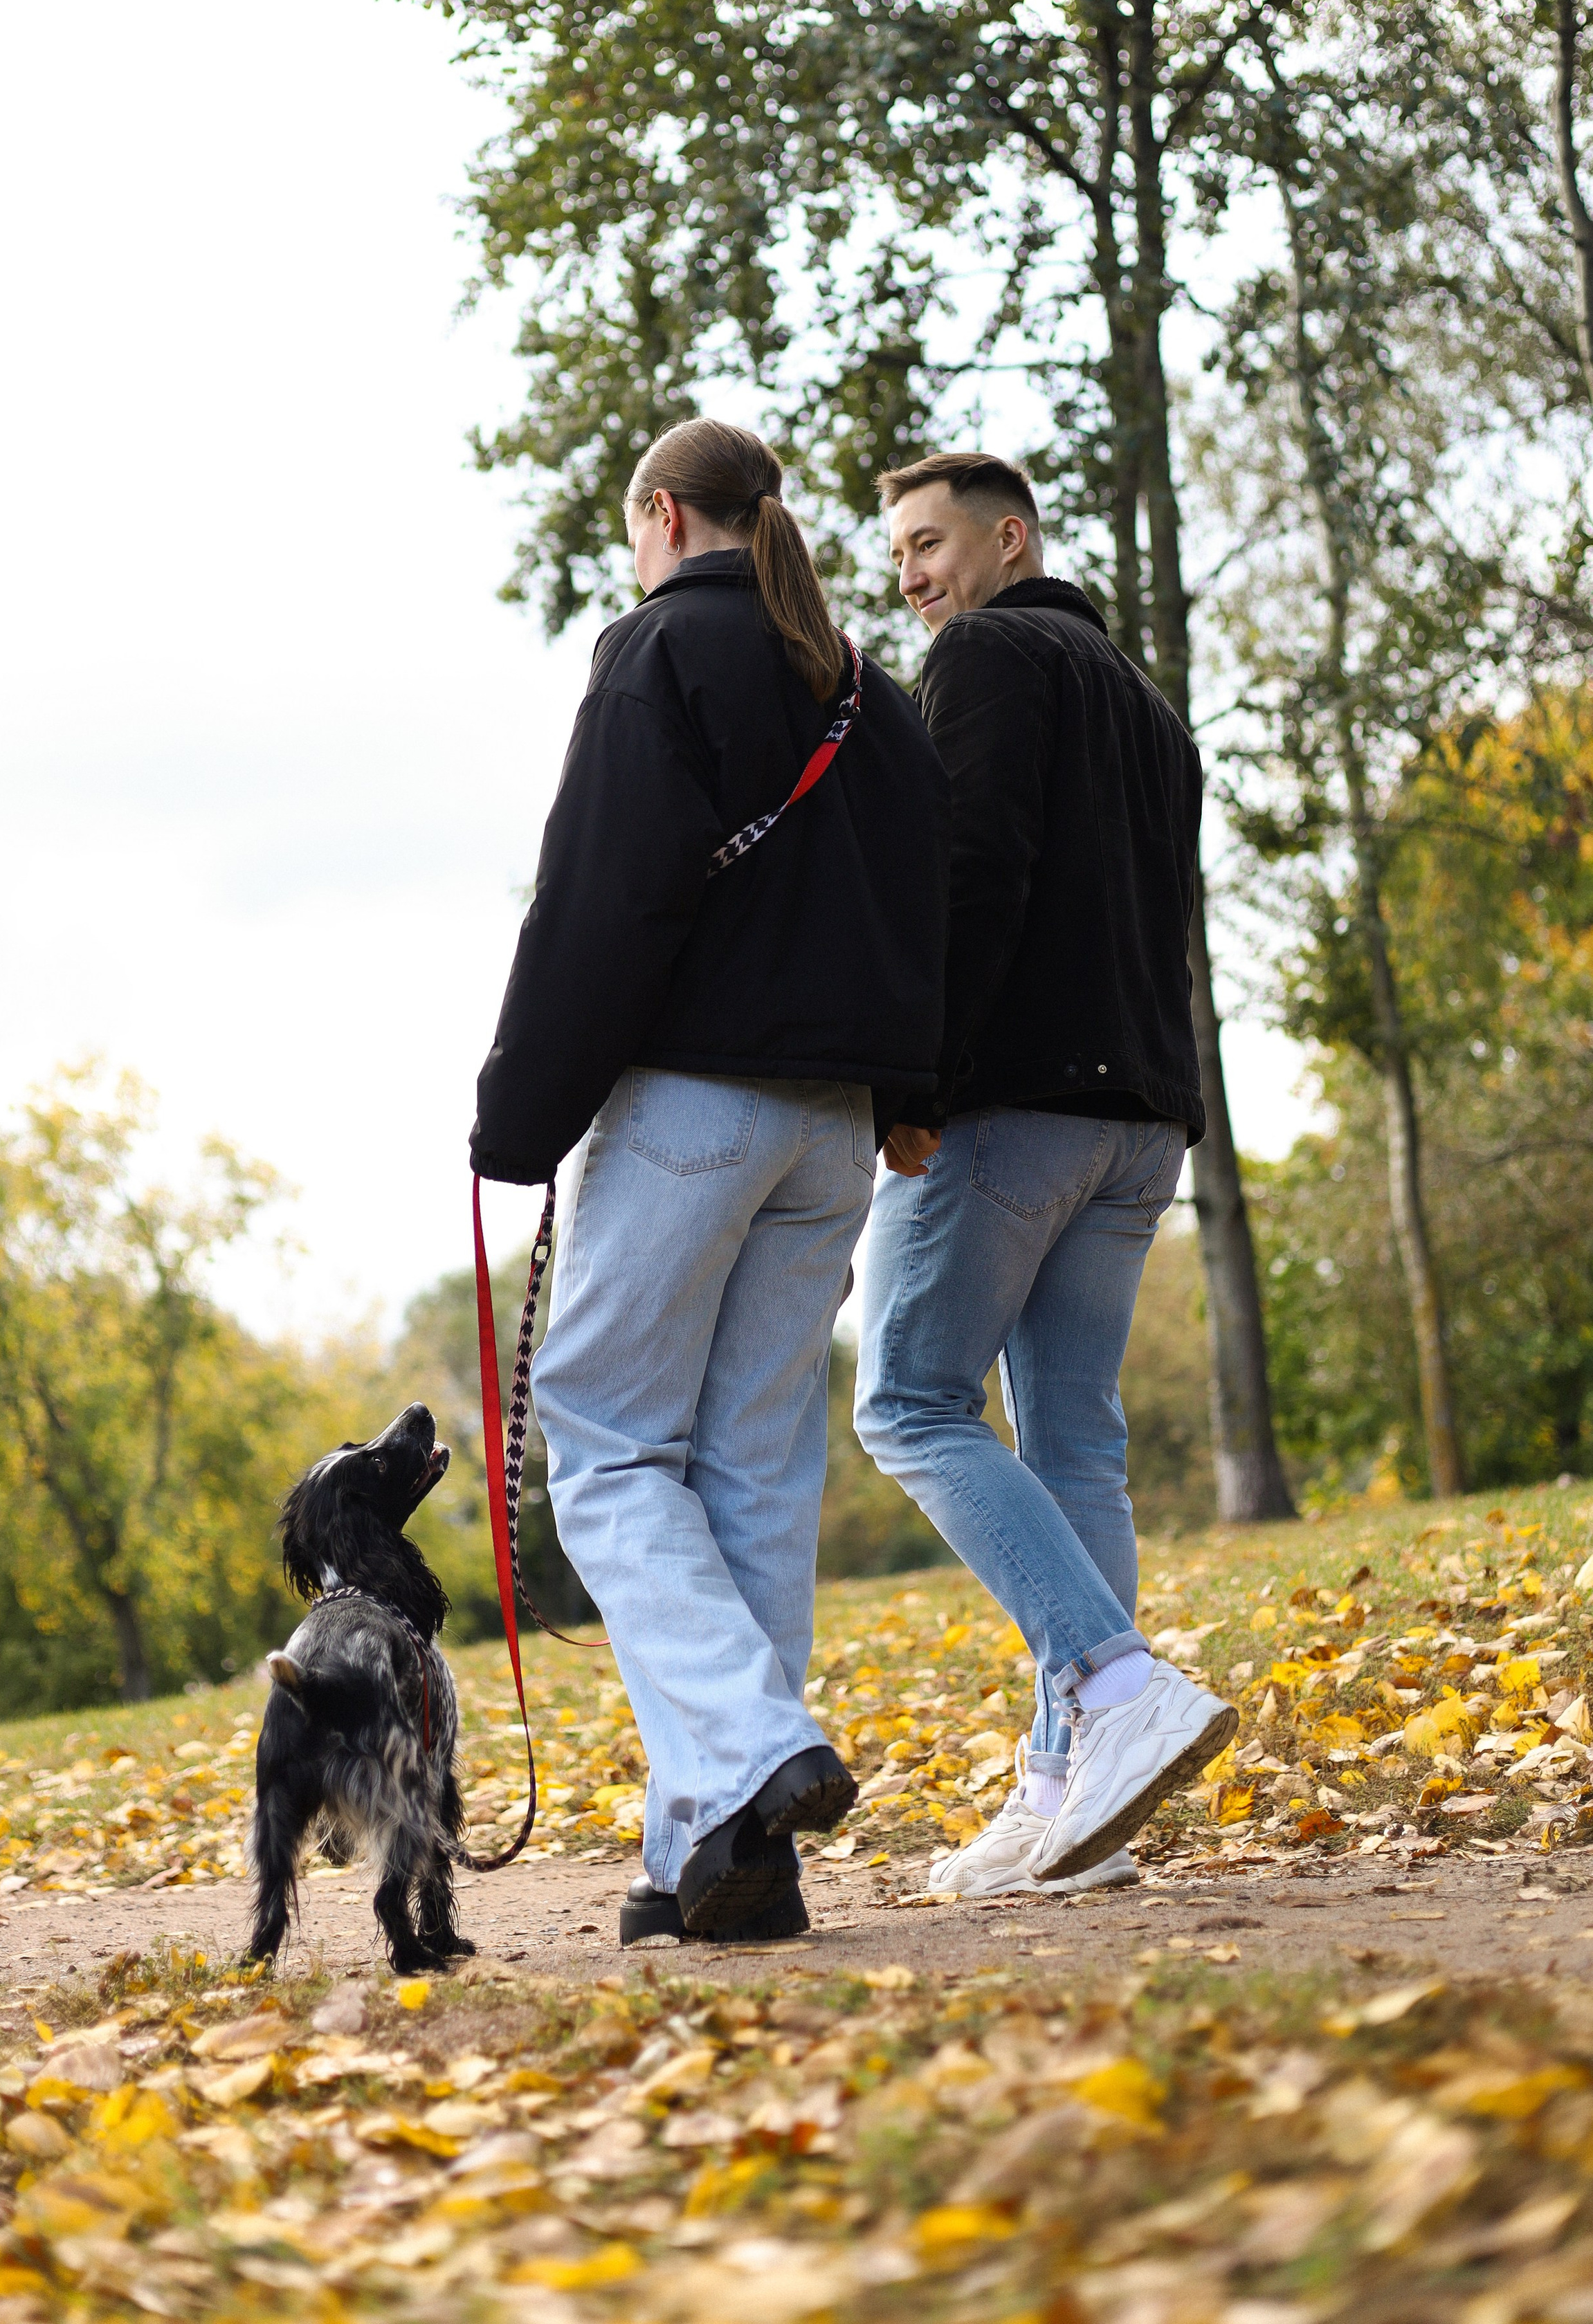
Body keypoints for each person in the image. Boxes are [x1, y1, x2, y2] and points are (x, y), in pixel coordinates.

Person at [472, 418, 949, 1946]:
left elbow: (600, 900)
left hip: (691, 1110)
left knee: (606, 1452)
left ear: (662, 514)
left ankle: (749, 1749)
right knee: (752, 1478)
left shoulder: (653, 654)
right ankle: (719, 1854)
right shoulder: (864, 688)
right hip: (833, 1127)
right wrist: (911, 1092)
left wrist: (515, 1114)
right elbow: (928, 903)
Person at [853, 452, 1235, 1896]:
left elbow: (975, 870)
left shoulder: (989, 656)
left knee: (906, 1401)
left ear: (1007, 539)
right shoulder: (1148, 708)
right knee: (1073, 1443)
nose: (910, 575)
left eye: (930, 541)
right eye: (896, 552)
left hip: (1015, 1101)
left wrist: (915, 1078)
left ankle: (1112, 1683)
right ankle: (1072, 1791)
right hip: (1139, 1115)